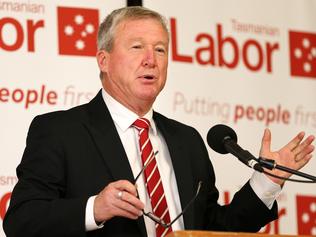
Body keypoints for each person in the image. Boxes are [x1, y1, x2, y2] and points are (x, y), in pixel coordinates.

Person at [3, 6, 314, 237]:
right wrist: (94, 208)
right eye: (137, 47)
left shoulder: (186, 140)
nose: (151, 59)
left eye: (161, 50)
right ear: (104, 60)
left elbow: (212, 228)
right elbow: (20, 220)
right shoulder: (60, 131)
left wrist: (266, 183)